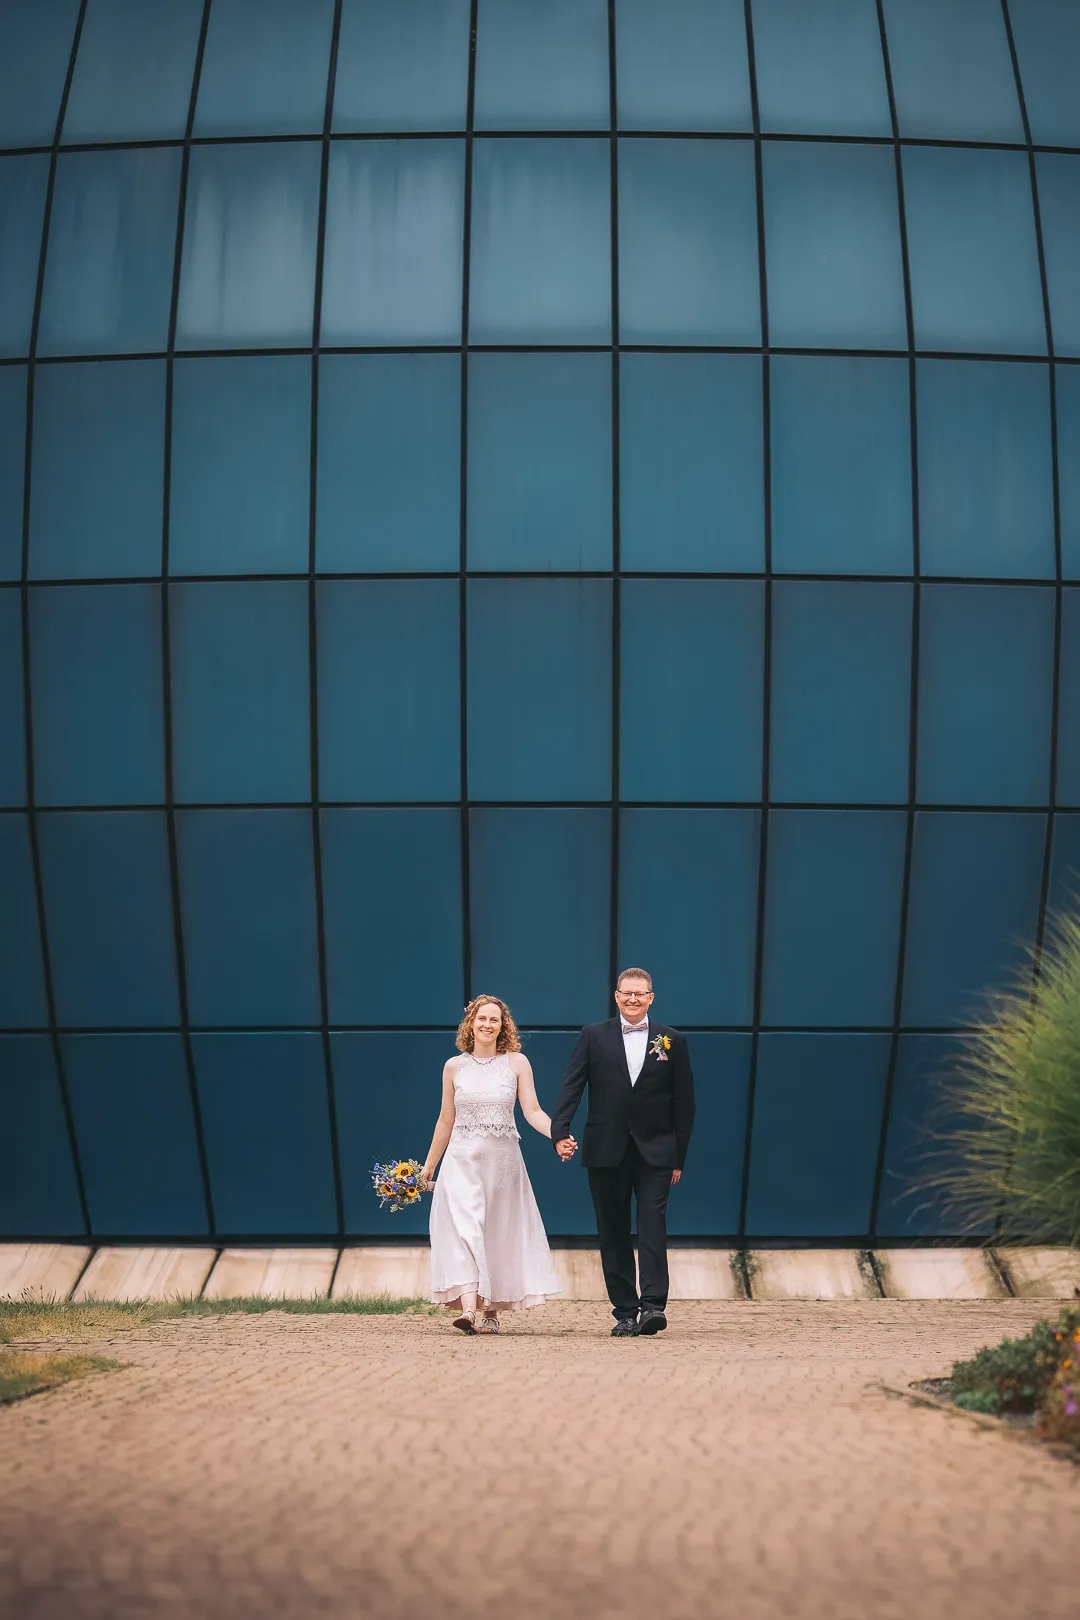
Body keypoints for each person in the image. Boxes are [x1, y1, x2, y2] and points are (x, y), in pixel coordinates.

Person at [550, 969, 695, 1338]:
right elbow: (572, 1085)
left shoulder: (671, 1039)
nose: (633, 999)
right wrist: (559, 1130)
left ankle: (652, 1307)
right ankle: (625, 1313)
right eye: (626, 993)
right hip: (605, 1149)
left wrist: (679, 1156)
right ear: (616, 996)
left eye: (640, 994)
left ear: (651, 998)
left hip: (656, 1152)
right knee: (612, 1230)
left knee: (651, 1225)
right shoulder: (592, 1036)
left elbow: (684, 1102)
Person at [422, 994, 568, 1334]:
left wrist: (557, 1135)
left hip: (502, 1165)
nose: (487, 1025)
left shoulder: (517, 1063)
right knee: (465, 1230)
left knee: (495, 1234)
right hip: (460, 1161)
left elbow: (532, 1111)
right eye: (482, 1018)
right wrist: (429, 1166)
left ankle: (491, 1309)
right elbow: (445, 1120)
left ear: (503, 1027)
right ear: (470, 1023)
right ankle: (469, 1310)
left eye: (494, 1020)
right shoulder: (453, 1067)